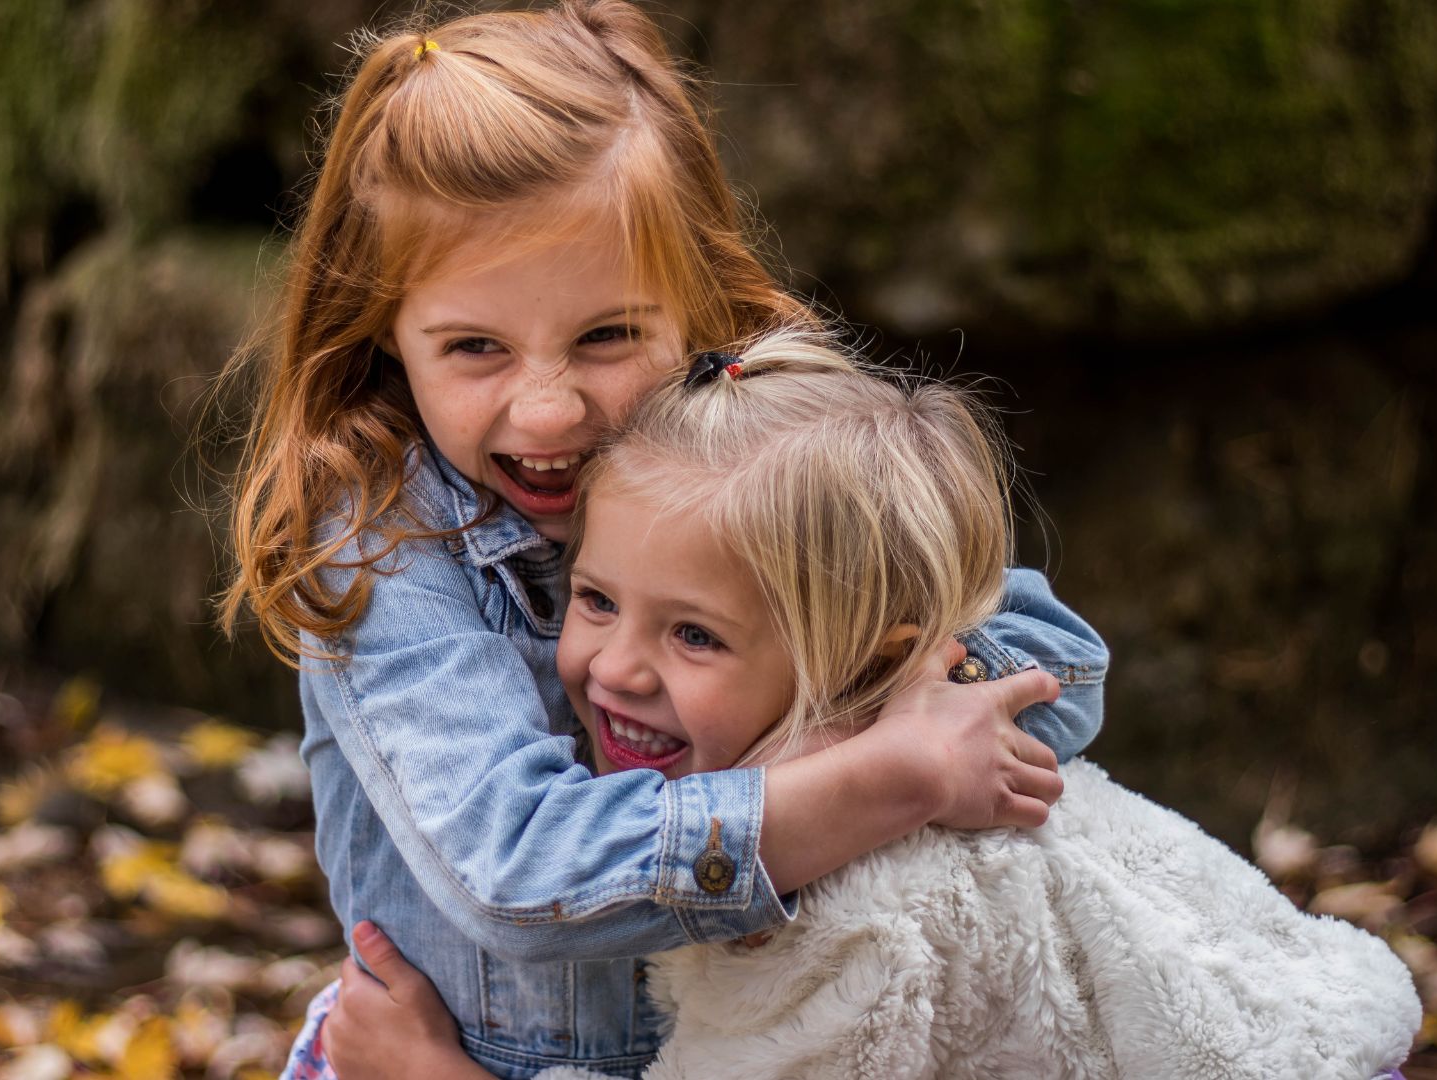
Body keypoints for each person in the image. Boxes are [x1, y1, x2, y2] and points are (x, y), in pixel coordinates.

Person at [217, 3, 1109, 1077]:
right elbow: (518, 870)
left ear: (693, 303)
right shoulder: (380, 542)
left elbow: (1052, 668)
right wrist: (885, 777)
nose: (548, 412)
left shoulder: (750, 458)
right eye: (474, 348)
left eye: (606, 336)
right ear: (382, 334)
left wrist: (895, 708)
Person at [321, 332, 1423, 1080]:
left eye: (695, 635)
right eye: (595, 599)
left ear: (867, 662)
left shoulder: (857, 907)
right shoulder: (890, 751)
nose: (615, 669)